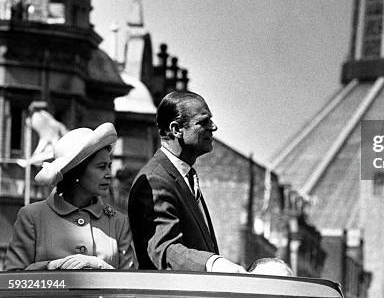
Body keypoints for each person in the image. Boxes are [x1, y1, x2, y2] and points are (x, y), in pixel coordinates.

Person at [128, 91, 245, 273]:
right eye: (203, 122)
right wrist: (213, 263)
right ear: (176, 129)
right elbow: (164, 250)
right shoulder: (155, 180)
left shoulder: (184, 175)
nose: (213, 127)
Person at [5, 123, 136, 270]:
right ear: (77, 172)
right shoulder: (32, 216)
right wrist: (53, 267)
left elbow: (129, 284)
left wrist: (100, 267)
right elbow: (13, 279)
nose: (108, 174)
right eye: (101, 167)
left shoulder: (118, 222)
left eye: (109, 166)